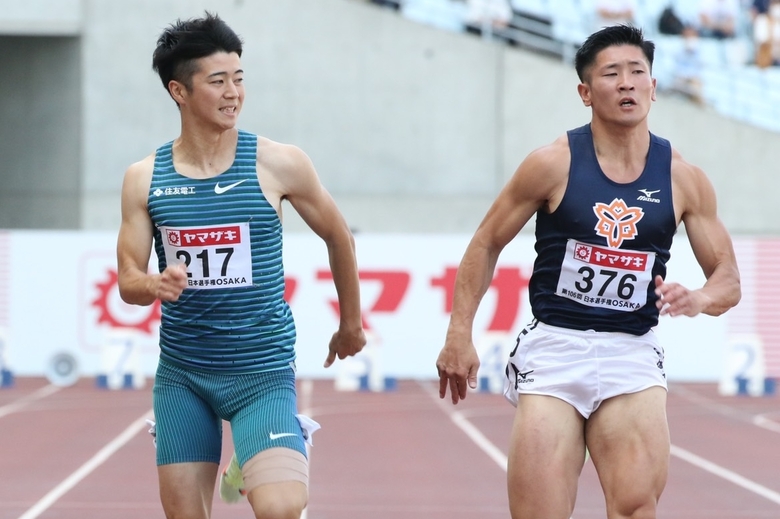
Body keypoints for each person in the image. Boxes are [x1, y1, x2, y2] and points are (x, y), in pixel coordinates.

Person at [435, 24, 740, 519]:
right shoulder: (551, 164)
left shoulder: (683, 178)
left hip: (632, 355)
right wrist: (458, 333)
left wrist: (701, 298)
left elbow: (728, 276)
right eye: (612, 74)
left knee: (636, 506)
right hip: (556, 350)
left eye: (637, 72)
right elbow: (486, 242)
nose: (626, 83)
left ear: (654, 87)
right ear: (585, 92)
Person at [116, 12, 366, 519]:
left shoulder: (278, 163)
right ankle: (244, 456)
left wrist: (351, 324)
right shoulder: (145, 179)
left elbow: (339, 236)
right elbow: (127, 282)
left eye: (239, 79)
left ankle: (253, 456)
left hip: (262, 371)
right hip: (184, 375)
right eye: (217, 81)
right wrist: (155, 283)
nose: (233, 93)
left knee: (281, 507)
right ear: (179, 92)